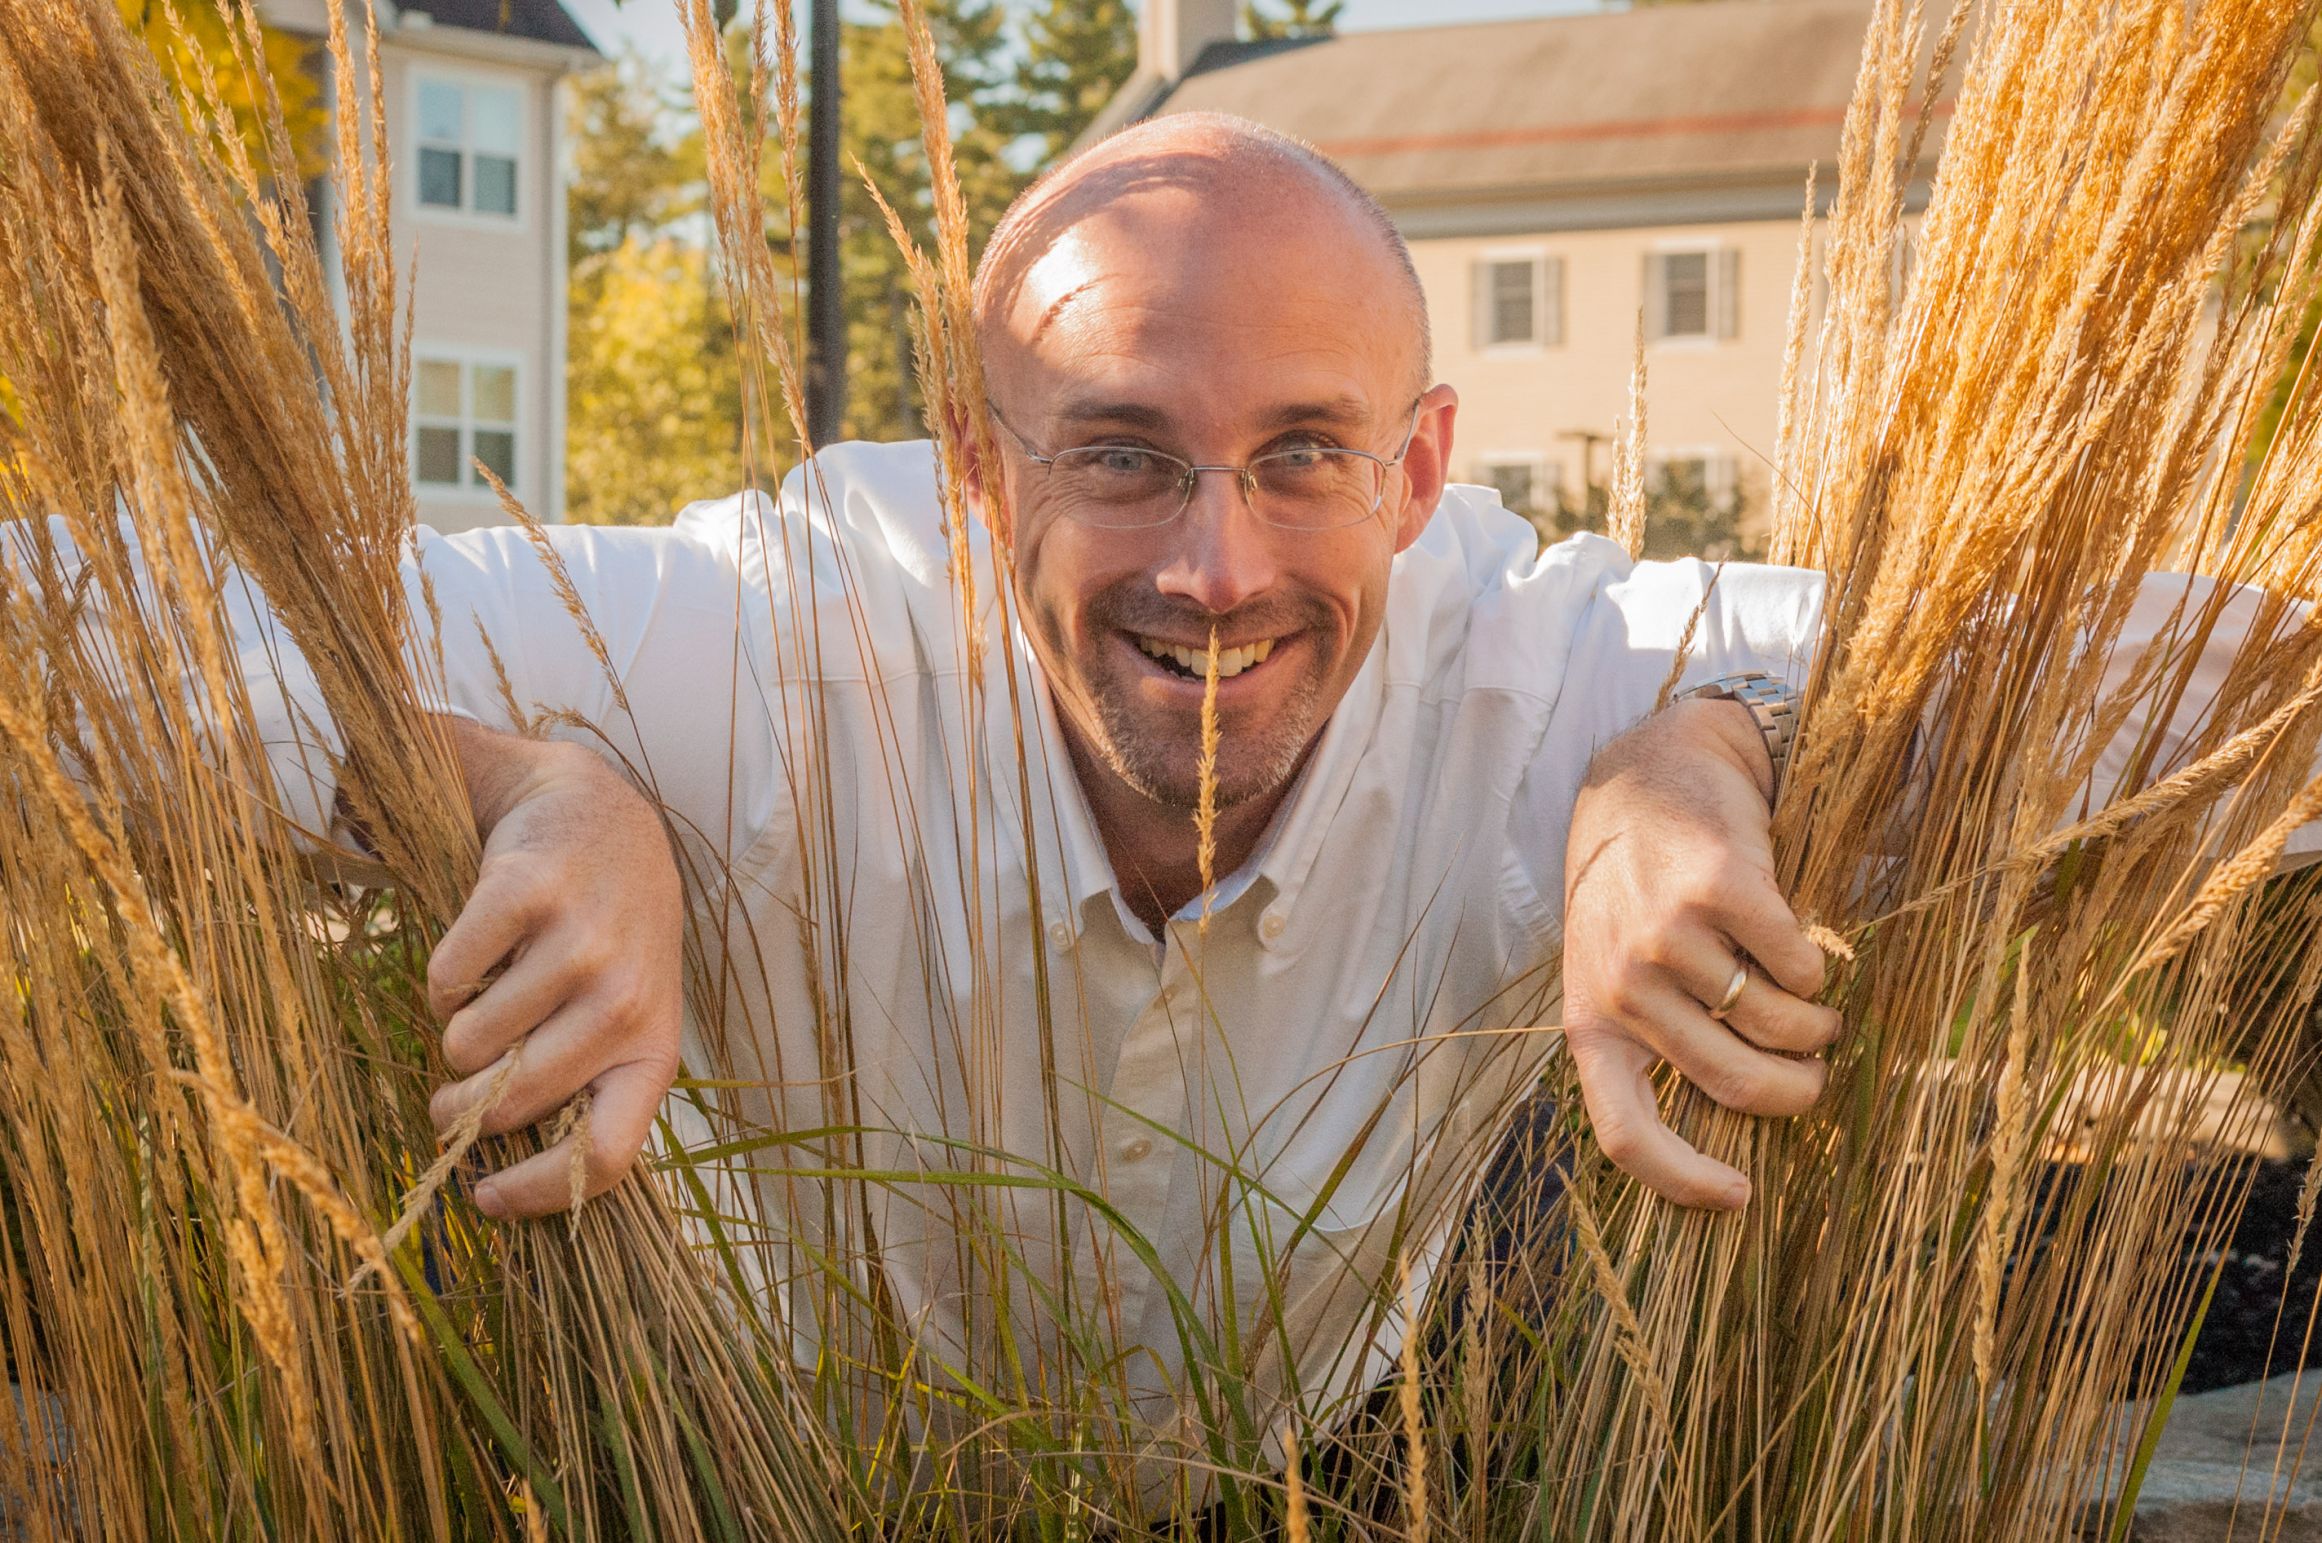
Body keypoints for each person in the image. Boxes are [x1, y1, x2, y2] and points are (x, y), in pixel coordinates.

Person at [77, 112, 2293, 1455]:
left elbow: (2186, 676)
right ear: (973, 475)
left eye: (1304, 458)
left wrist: (1711, 754)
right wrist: (530, 784)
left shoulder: (1546, 661)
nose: (1215, 565)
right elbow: (122, 629)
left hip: (1363, 1433)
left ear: (1422, 470)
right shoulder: (775, 640)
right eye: (1121, 453)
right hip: (790, 1465)